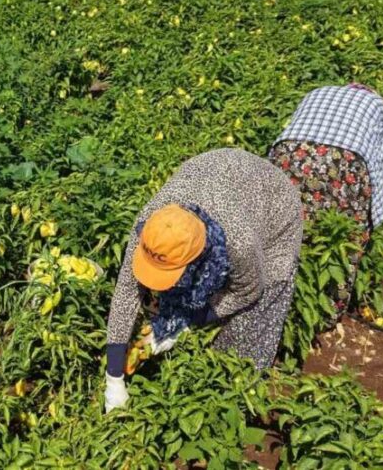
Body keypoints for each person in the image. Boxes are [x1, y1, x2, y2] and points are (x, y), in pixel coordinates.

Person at [103, 148, 303, 412]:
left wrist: (190, 322)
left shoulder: (238, 243)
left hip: (273, 209)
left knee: (246, 330)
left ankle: (233, 405)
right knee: (175, 296)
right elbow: (126, 294)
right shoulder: (152, 225)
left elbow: (248, 292)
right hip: (219, 173)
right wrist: (113, 377)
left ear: (197, 256)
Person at [267, 84, 383, 317]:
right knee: (347, 236)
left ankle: (267, 298)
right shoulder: (382, 109)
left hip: (290, 150)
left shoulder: (318, 91)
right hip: (344, 160)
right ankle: (327, 310)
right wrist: (374, 210)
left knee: (280, 224)